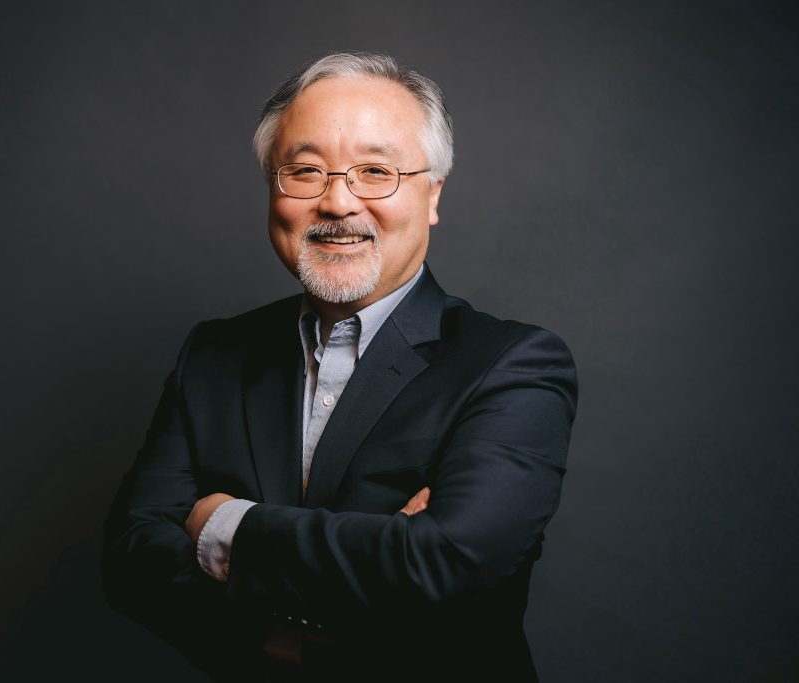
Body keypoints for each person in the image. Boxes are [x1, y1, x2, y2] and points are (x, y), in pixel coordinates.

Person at [103, 52, 577, 682]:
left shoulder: (512, 365)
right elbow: (131, 558)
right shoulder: (215, 355)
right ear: (273, 189)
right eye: (305, 171)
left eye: (375, 171)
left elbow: (444, 562)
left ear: (433, 195)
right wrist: (283, 640)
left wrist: (222, 524)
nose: (338, 202)